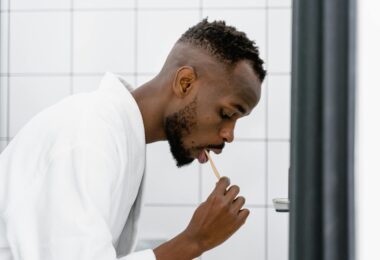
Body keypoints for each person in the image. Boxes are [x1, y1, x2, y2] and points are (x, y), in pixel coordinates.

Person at [0, 19, 266, 260]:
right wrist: (194, 241)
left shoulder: (114, 135)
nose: (229, 135)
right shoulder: (89, 136)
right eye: (227, 114)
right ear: (185, 83)